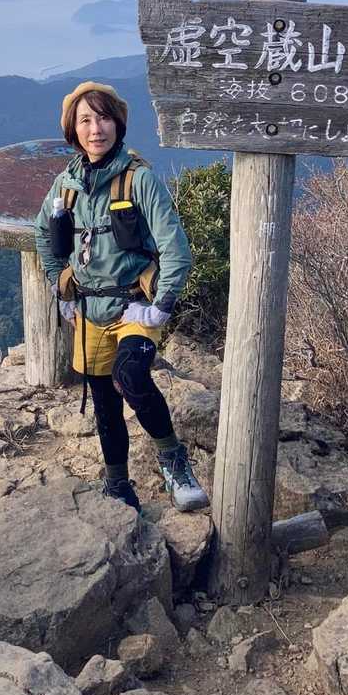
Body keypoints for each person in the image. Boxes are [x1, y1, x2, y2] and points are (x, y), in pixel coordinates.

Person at [33, 82, 210, 513]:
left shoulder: (138, 179)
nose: (96, 129)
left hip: (134, 306)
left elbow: (175, 248)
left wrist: (161, 305)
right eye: (85, 120)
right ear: (73, 131)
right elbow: (43, 236)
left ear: (118, 124)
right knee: (104, 403)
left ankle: (174, 463)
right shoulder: (65, 186)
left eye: (104, 118)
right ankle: (118, 484)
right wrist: (61, 287)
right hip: (88, 309)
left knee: (131, 376)